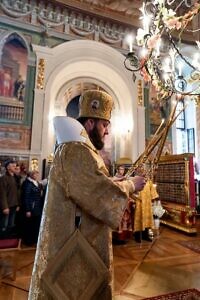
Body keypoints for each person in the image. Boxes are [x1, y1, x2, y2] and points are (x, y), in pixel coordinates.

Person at [28, 90, 146, 300]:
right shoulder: (76, 149)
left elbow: (87, 184)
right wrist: (130, 185)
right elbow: (93, 191)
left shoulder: (77, 148)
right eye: (104, 125)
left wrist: (112, 181)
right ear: (90, 123)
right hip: (74, 243)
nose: (107, 132)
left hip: (76, 236)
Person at [0, 159, 19, 237]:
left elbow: (17, 193)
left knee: (11, 225)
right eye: (12, 165)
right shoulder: (3, 178)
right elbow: (2, 194)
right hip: (7, 206)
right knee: (4, 225)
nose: (15, 166)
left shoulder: (15, 178)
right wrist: (5, 207)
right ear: (7, 167)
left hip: (14, 205)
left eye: (15, 165)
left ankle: (8, 242)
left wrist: (17, 204)